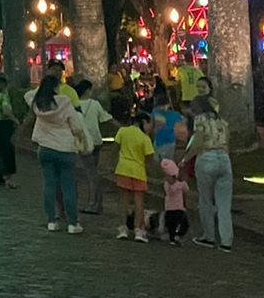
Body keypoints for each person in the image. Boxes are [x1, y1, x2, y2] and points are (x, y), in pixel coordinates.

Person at [28, 67, 83, 233]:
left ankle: (52, 220)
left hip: (45, 149)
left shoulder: (38, 104)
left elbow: (28, 95)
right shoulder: (65, 103)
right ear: (56, 87)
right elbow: (76, 126)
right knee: (68, 186)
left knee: (49, 185)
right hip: (65, 148)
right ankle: (73, 223)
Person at [181, 94, 234, 251]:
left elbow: (199, 141)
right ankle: (226, 241)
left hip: (207, 158)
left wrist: (185, 159)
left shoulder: (201, 120)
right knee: (224, 204)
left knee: (205, 201)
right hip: (224, 159)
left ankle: (209, 236)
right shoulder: (223, 122)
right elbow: (228, 142)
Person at [113, 111, 156, 242]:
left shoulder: (122, 131)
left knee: (124, 201)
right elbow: (150, 159)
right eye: (150, 124)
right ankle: (138, 229)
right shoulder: (145, 138)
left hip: (123, 169)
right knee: (139, 202)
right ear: (144, 122)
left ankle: (123, 228)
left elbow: (115, 148)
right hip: (138, 172)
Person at [74, 79, 110, 214]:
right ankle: (97, 203)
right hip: (96, 140)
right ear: (87, 91)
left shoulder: (74, 105)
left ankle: (92, 203)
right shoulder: (94, 104)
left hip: (84, 142)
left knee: (91, 174)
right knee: (93, 172)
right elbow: (106, 119)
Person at [150, 87, 186, 165]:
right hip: (161, 140)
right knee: (161, 161)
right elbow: (152, 126)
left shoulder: (156, 113)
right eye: (160, 106)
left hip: (169, 141)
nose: (162, 108)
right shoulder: (156, 112)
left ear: (168, 104)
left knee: (166, 161)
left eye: (164, 105)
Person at [160, 158, 190, 245]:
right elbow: (187, 190)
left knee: (171, 225)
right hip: (178, 208)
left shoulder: (167, 184)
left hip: (169, 208)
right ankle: (177, 236)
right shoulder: (179, 184)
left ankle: (173, 238)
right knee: (183, 223)